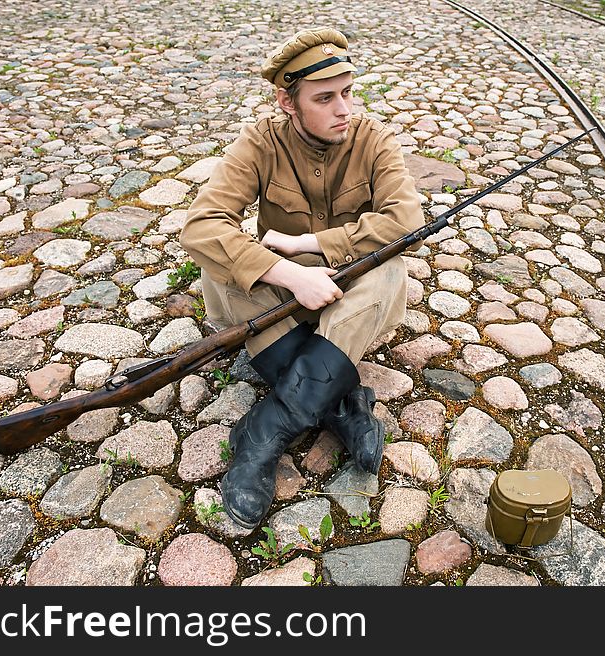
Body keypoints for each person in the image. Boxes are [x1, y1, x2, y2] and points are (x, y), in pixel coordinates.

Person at [180, 28, 424, 530]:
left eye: (349, 92)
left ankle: (263, 431)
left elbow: (406, 222)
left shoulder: (372, 138)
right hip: (279, 297)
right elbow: (202, 225)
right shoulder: (260, 141)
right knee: (219, 267)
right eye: (325, 98)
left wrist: (307, 245)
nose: (344, 109)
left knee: (391, 268)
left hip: (345, 295)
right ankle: (342, 404)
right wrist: (288, 272)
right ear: (286, 102)